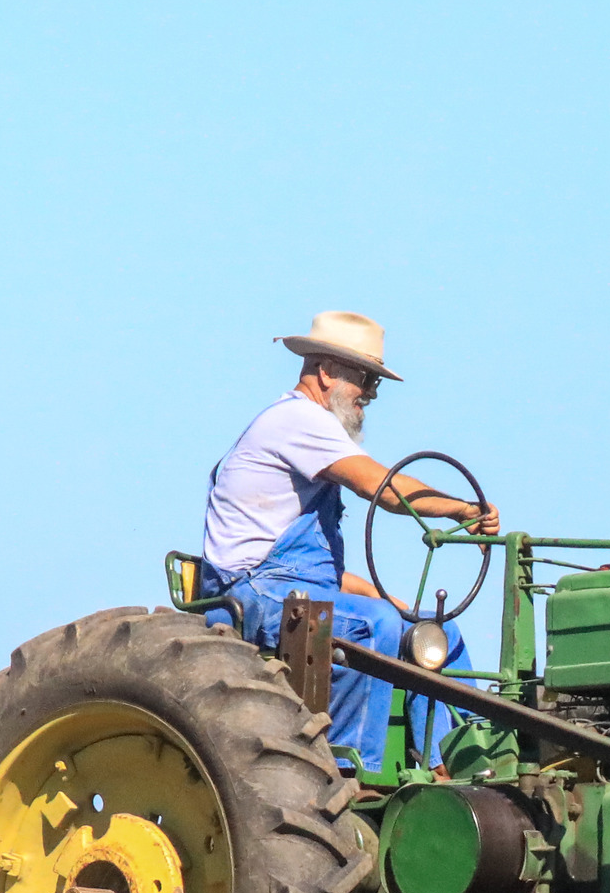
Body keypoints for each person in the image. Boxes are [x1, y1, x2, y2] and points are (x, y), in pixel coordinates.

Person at [199, 311, 501, 771]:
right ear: (325, 371)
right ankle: (351, 769)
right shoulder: (297, 420)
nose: (372, 394)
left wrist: (395, 603)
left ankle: (463, 768)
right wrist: (462, 509)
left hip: (296, 588)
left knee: (435, 633)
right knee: (374, 625)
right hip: (250, 591)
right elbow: (380, 486)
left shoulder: (310, 437)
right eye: (365, 378)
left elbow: (323, 576)